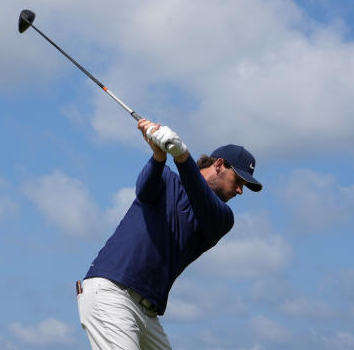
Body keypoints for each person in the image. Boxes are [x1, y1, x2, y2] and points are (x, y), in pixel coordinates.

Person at [77, 118, 262, 350]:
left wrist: (182, 156)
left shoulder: (223, 218)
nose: (240, 191)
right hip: (112, 292)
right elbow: (144, 190)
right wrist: (159, 156)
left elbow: (199, 194)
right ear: (219, 165)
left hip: (148, 313)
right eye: (238, 180)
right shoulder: (166, 178)